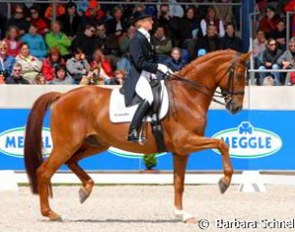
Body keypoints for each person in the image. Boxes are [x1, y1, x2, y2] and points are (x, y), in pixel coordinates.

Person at [123, 11, 173, 142]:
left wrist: (163, 69)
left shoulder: (147, 37)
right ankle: (133, 130)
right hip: (138, 75)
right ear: (141, 23)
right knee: (149, 97)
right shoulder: (136, 38)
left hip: (149, 74)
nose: (152, 22)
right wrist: (157, 67)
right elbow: (139, 62)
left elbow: (153, 59)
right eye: (149, 20)